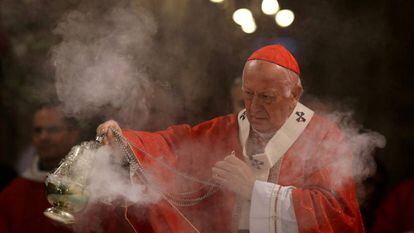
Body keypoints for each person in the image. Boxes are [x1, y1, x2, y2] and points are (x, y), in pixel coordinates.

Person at [97, 44, 365, 233]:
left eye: (267, 97)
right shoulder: (228, 129)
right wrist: (125, 141)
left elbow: (337, 214)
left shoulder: (323, 138)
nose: (254, 107)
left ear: (295, 94)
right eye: (249, 95)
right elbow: (177, 145)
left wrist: (255, 191)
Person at [0, 102, 79, 233]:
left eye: (53, 130)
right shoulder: (13, 193)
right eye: (38, 130)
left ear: (73, 134)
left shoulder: (93, 188)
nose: (43, 137)